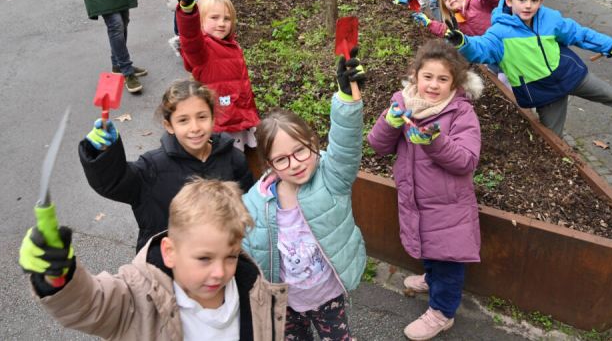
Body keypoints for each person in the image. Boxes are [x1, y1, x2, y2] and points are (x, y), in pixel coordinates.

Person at [18, 178, 287, 340]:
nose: (219, 272)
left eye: (230, 257)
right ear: (169, 252)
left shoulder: (254, 290)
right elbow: (91, 304)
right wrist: (58, 276)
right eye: (204, 258)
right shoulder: (136, 295)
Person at [444, 0, 612, 143]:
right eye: (522, 0)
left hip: (571, 74)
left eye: (534, 1)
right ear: (509, 0)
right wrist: (462, 42)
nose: (528, 6)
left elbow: (578, 33)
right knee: (551, 141)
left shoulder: (550, 19)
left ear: (541, 2)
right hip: (542, 90)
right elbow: (481, 48)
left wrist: (607, 45)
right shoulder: (500, 32)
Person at [241, 49, 367, 340]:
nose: (295, 163)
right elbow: (249, 249)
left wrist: (348, 99)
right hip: (286, 300)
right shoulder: (255, 202)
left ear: (313, 143)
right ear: (269, 165)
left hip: (327, 295)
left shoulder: (330, 177)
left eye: (300, 150)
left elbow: (346, 146)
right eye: (282, 159)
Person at [367, 39, 484, 341]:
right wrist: (389, 122)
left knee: (448, 259)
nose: (433, 85)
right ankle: (432, 279)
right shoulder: (403, 104)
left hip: (449, 205)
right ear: (415, 76)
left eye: (443, 79)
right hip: (415, 199)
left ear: (454, 82)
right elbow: (379, 146)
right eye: (427, 77)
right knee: (428, 246)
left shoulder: (460, 113)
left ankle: (442, 313)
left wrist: (435, 142)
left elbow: (466, 161)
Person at [79, 78, 254, 251]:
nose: (195, 127)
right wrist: (103, 153)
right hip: (167, 266)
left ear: (213, 119)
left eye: (201, 117)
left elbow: (249, 206)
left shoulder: (233, 158)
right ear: (169, 126)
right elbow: (113, 183)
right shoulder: (152, 168)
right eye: (183, 120)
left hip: (221, 258)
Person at [174, 0, 261, 151]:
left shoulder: (231, 45)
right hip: (222, 122)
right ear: (199, 21)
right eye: (214, 18)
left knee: (247, 158)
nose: (222, 23)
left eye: (227, 19)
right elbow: (190, 36)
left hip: (240, 115)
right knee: (228, 160)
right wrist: (188, 11)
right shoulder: (201, 50)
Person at [413, 0, 504, 38]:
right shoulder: (455, 19)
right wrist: (429, 23)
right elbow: (446, 31)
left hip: (503, 38)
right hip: (487, 49)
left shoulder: (476, 1)